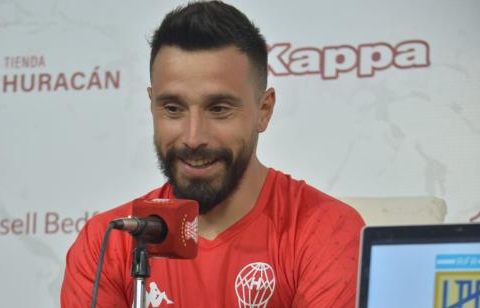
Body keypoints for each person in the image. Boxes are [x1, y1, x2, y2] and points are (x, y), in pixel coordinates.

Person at [61, 1, 365, 307]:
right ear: (152, 105)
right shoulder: (109, 241)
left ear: (264, 110)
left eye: (219, 109)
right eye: (173, 108)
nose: (193, 138)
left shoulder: (327, 232)